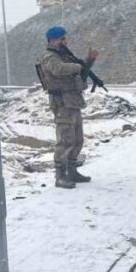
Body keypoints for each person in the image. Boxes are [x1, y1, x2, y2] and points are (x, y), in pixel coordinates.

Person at [37, 26, 98, 189]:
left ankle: (72, 171)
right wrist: (78, 66)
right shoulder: (49, 57)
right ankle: (60, 175)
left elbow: (80, 72)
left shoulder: (65, 56)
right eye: (62, 39)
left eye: (65, 38)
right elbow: (58, 69)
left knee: (77, 139)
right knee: (65, 140)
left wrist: (88, 61)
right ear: (53, 40)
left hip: (73, 101)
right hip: (62, 103)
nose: (65, 41)